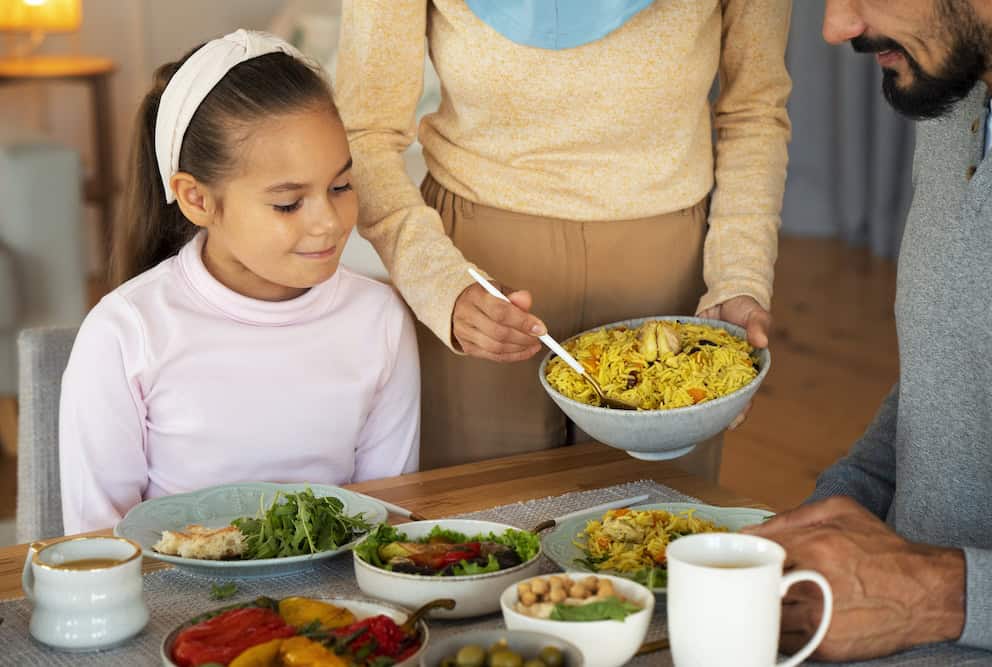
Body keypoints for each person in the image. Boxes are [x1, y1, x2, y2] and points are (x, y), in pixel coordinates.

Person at [335, 0, 792, 476]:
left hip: (669, 275)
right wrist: (437, 284)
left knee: (655, 530)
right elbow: (364, 131)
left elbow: (755, 113)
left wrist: (739, 278)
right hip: (475, 280)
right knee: (484, 529)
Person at [58, 30, 420, 534]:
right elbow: (98, 545)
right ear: (198, 199)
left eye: (341, 186)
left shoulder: (378, 319)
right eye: (288, 203)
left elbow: (388, 520)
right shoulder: (125, 332)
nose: (330, 223)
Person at [748, 0, 992, 660]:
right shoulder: (959, 104)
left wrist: (938, 593)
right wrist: (834, 505)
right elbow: (952, 371)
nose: (837, 27)